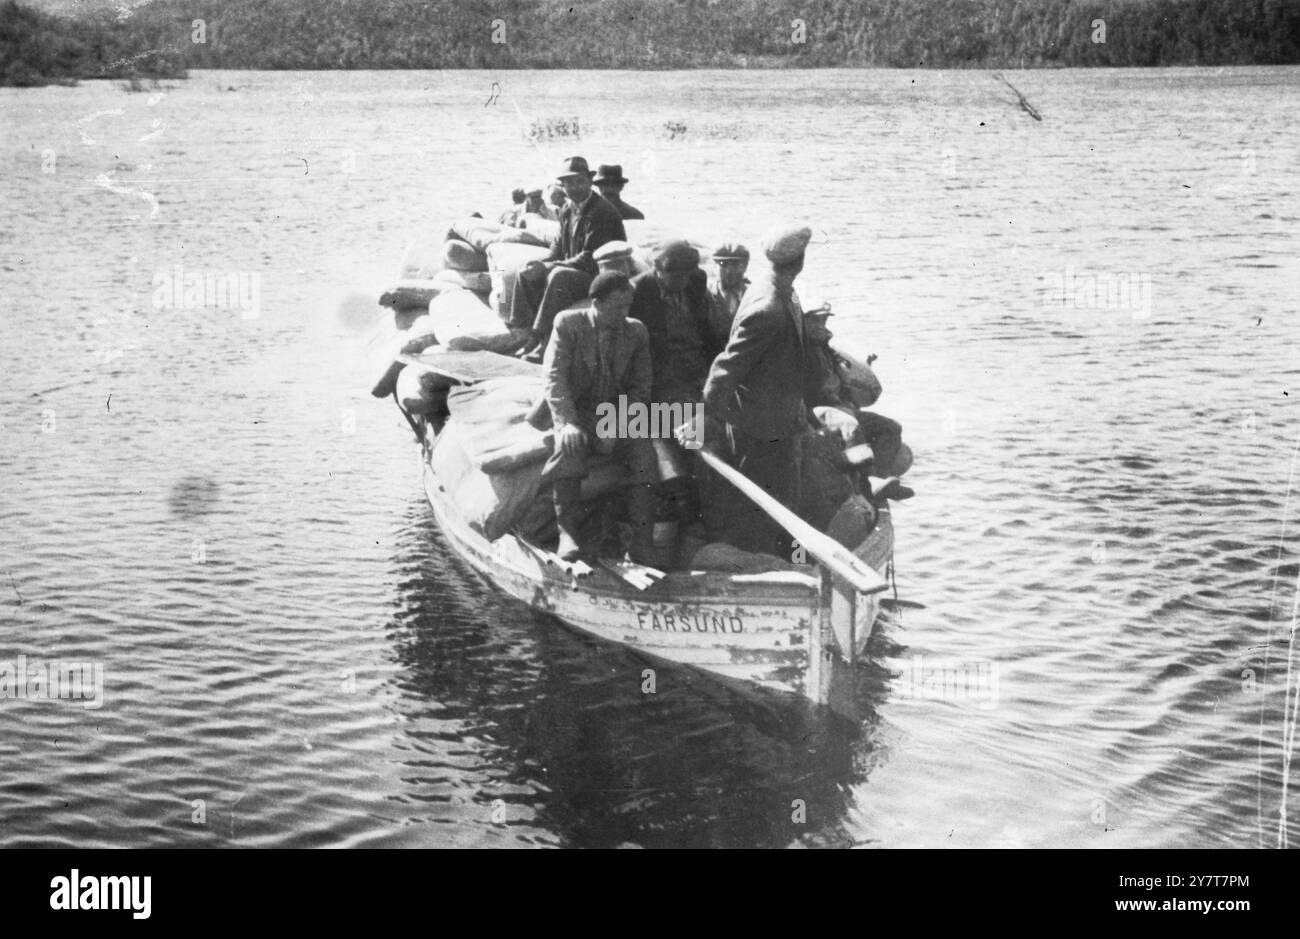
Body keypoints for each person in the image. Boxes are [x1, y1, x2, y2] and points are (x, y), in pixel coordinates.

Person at [700, 224, 837, 556]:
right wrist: (707, 417)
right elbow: (726, 367)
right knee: (763, 505)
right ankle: (763, 567)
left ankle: (789, 561)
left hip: (781, 419)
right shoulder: (769, 307)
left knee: (786, 500)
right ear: (799, 261)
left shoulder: (777, 289)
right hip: (758, 426)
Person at [542, 271, 658, 562]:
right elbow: (556, 380)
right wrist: (566, 423)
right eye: (618, 306)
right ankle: (566, 532)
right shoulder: (568, 324)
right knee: (569, 446)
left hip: (612, 413)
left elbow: (641, 388)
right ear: (596, 303)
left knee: (644, 450)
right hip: (577, 412)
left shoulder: (637, 331)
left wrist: (617, 425)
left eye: (628, 307)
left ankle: (642, 541)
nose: (624, 313)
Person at [508, 156, 627, 359]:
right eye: (569, 183)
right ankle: (523, 333)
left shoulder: (602, 211)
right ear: (562, 186)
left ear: (590, 182)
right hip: (577, 271)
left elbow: (589, 258)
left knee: (559, 275)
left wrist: (549, 267)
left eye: (580, 181)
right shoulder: (566, 211)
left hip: (599, 276)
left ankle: (543, 341)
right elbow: (557, 249)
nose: (575, 187)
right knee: (526, 270)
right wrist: (540, 264)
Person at [801, 300, 913, 501]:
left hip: (839, 407)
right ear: (804, 321)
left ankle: (880, 479)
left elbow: (841, 383)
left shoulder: (826, 350)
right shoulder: (801, 350)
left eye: (824, 320)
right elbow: (812, 390)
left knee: (891, 428)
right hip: (815, 410)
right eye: (815, 320)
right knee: (851, 426)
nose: (821, 325)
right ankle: (870, 482)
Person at [628, 240, 724, 405]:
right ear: (658, 269)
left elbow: (706, 328)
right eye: (678, 276)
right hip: (661, 366)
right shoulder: (637, 291)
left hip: (696, 360)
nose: (685, 281)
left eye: (688, 274)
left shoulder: (696, 279)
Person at [707, 241, 750, 339]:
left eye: (736, 264)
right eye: (723, 264)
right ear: (714, 266)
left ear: (745, 266)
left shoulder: (753, 296)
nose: (729, 271)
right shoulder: (705, 295)